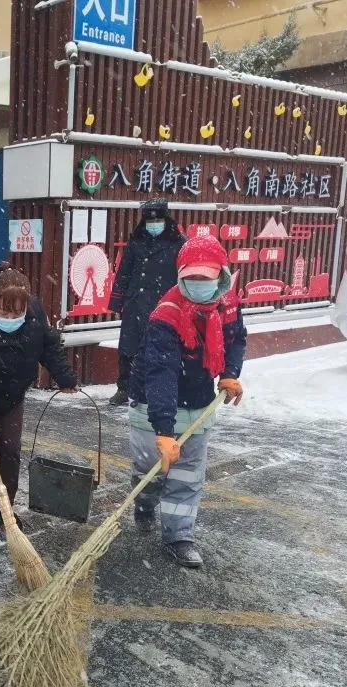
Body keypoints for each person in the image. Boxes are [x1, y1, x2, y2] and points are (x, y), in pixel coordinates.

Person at [128, 235, 246, 569]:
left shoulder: (226, 306)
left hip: (197, 404)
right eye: (190, 277)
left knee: (187, 478)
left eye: (204, 277)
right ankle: (144, 504)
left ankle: (179, 536)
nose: (197, 283)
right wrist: (163, 430)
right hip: (151, 406)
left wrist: (228, 372)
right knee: (149, 474)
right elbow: (161, 372)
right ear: (180, 275)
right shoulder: (166, 315)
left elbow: (235, 339)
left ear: (220, 276)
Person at [0, 268, 79, 537]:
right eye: (4, 313)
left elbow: (49, 347)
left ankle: (4, 507)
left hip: (11, 397)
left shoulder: (34, 318)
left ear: (26, 307)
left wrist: (65, 377)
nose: (11, 319)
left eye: (16, 314)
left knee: (10, 454)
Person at [108, 198, 185, 406]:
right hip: (135, 302)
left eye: (157, 220)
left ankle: (155, 390)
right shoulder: (137, 239)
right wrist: (117, 301)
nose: (153, 224)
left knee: (158, 348)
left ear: (165, 219)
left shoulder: (178, 242)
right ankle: (124, 388)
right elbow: (124, 271)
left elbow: (183, 275)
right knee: (128, 347)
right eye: (149, 220)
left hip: (163, 305)